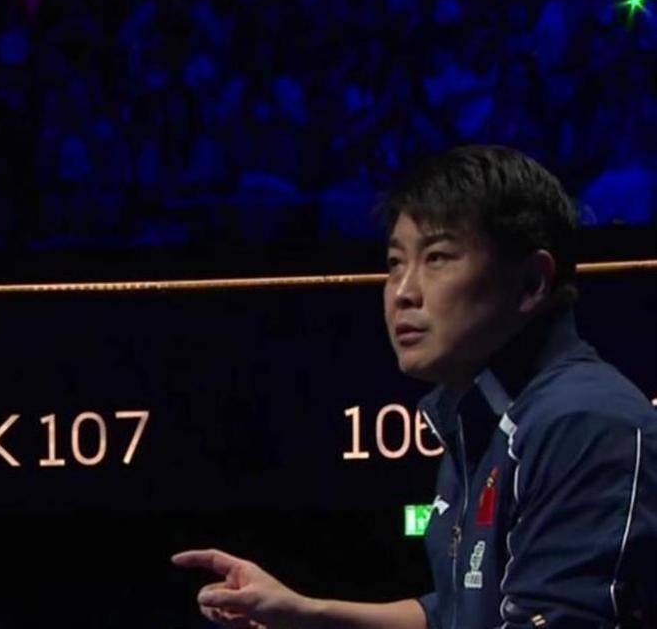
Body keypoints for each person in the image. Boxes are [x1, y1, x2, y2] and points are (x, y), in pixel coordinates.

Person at [174, 145, 657, 628]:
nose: (403, 292)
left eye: (437, 258)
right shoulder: (479, 418)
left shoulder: (585, 424)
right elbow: (454, 614)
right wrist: (303, 613)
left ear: (531, 282)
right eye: (395, 263)